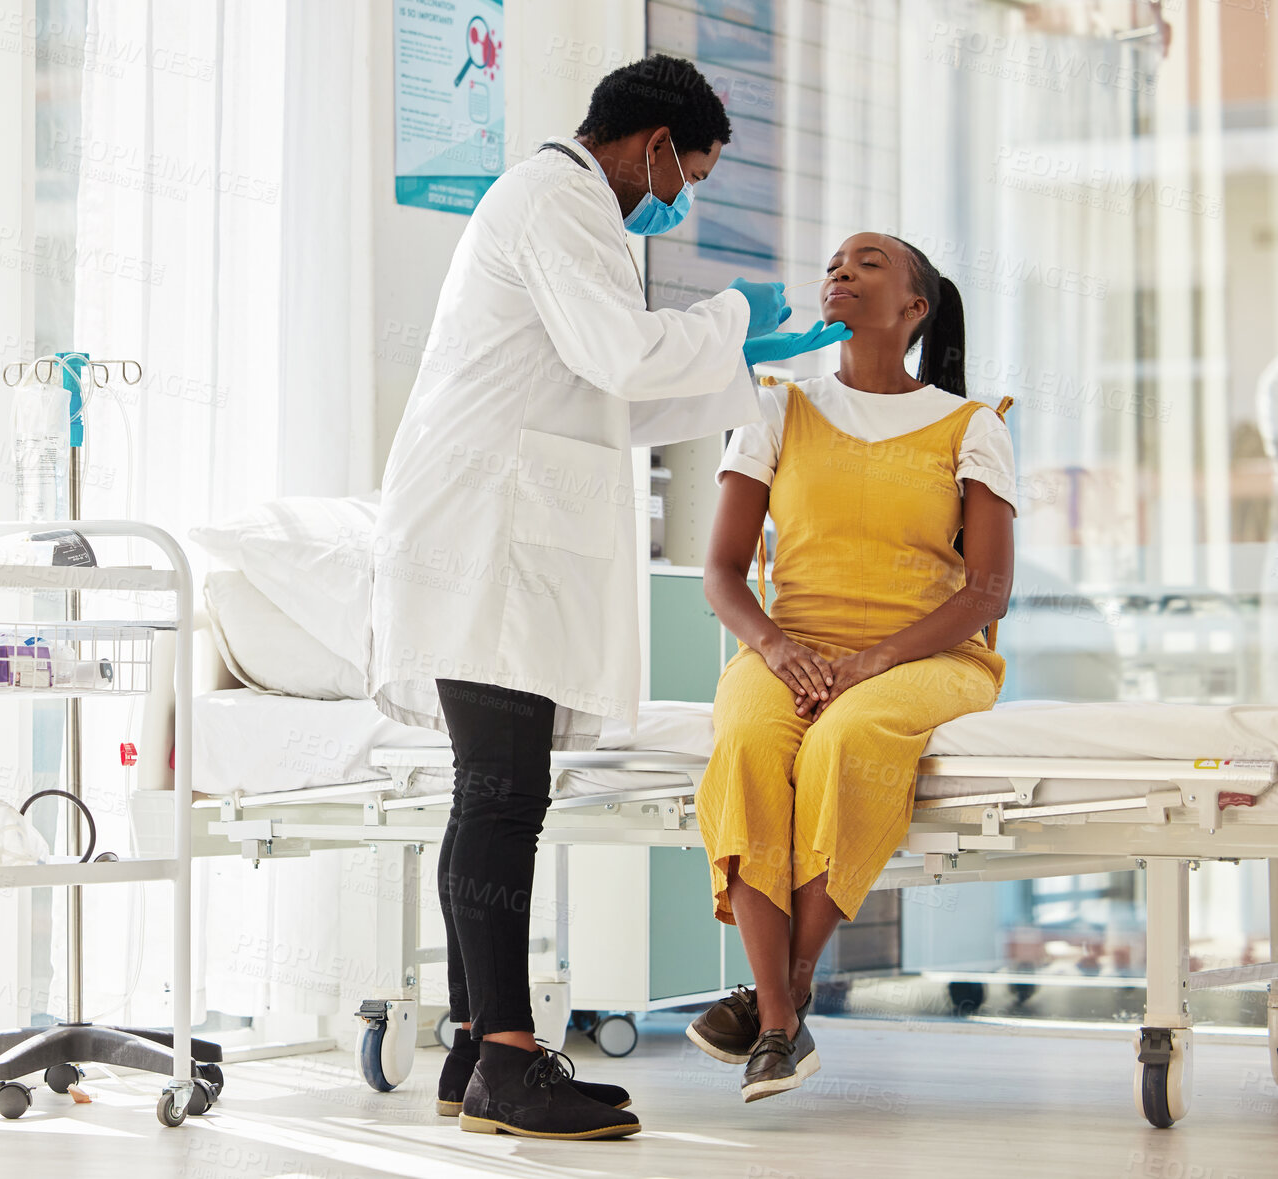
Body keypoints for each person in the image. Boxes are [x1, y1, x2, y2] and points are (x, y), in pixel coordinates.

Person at [369, 55, 849, 1140]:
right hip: (483, 539)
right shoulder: (558, 199)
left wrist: (738, 360)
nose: (679, 203)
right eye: (690, 177)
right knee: (501, 795)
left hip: (491, 532)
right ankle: (505, 1057)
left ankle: (471, 1052)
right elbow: (621, 359)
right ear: (654, 146)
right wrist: (731, 315)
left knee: (489, 792)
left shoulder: (565, 212)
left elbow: (602, 397)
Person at [685, 232, 1018, 1102]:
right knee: (753, 741)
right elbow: (720, 570)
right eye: (835, 260)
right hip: (788, 642)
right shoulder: (774, 404)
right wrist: (776, 647)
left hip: (930, 651)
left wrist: (873, 659)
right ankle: (781, 1016)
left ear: (914, 307)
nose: (840, 270)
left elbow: (986, 590)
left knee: (848, 738)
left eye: (868, 263)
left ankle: (776, 1004)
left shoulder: (969, 424)